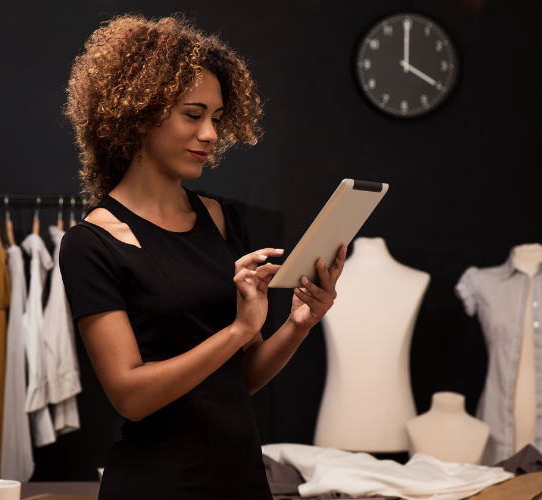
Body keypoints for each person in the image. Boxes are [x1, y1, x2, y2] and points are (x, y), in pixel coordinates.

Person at [59, 14, 347, 500]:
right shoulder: (92, 242)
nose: (211, 134)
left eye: (216, 117)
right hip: (157, 486)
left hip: (240, 480)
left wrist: (299, 323)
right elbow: (130, 397)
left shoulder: (222, 219)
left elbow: (241, 378)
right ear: (140, 114)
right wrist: (237, 330)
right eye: (194, 115)